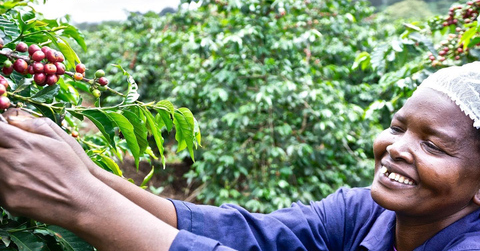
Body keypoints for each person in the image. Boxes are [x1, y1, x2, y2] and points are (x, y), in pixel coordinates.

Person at [0, 62, 480, 251]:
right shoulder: (366, 212)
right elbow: (247, 234)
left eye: (433, 145)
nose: (395, 147)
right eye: (397, 127)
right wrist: (88, 173)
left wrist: (81, 202)